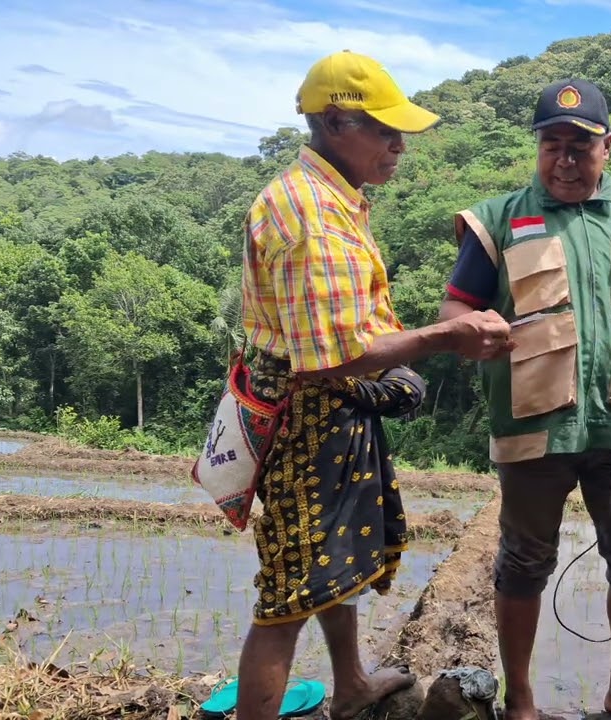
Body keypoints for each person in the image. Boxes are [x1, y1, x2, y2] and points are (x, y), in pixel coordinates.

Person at [235, 50, 512, 720]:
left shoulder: (338, 198)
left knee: (329, 567)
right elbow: (335, 359)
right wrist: (443, 338)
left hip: (326, 411)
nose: (399, 144)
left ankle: (352, 682)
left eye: (400, 130)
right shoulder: (309, 215)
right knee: (288, 595)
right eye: (384, 130)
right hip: (308, 420)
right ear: (335, 123)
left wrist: (404, 359)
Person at [437, 78, 611, 720]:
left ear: (609, 147)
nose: (566, 159)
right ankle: (521, 697)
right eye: (554, 145)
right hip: (532, 426)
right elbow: (455, 309)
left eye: (581, 146)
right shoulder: (498, 220)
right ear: (539, 147)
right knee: (523, 561)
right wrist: (476, 335)